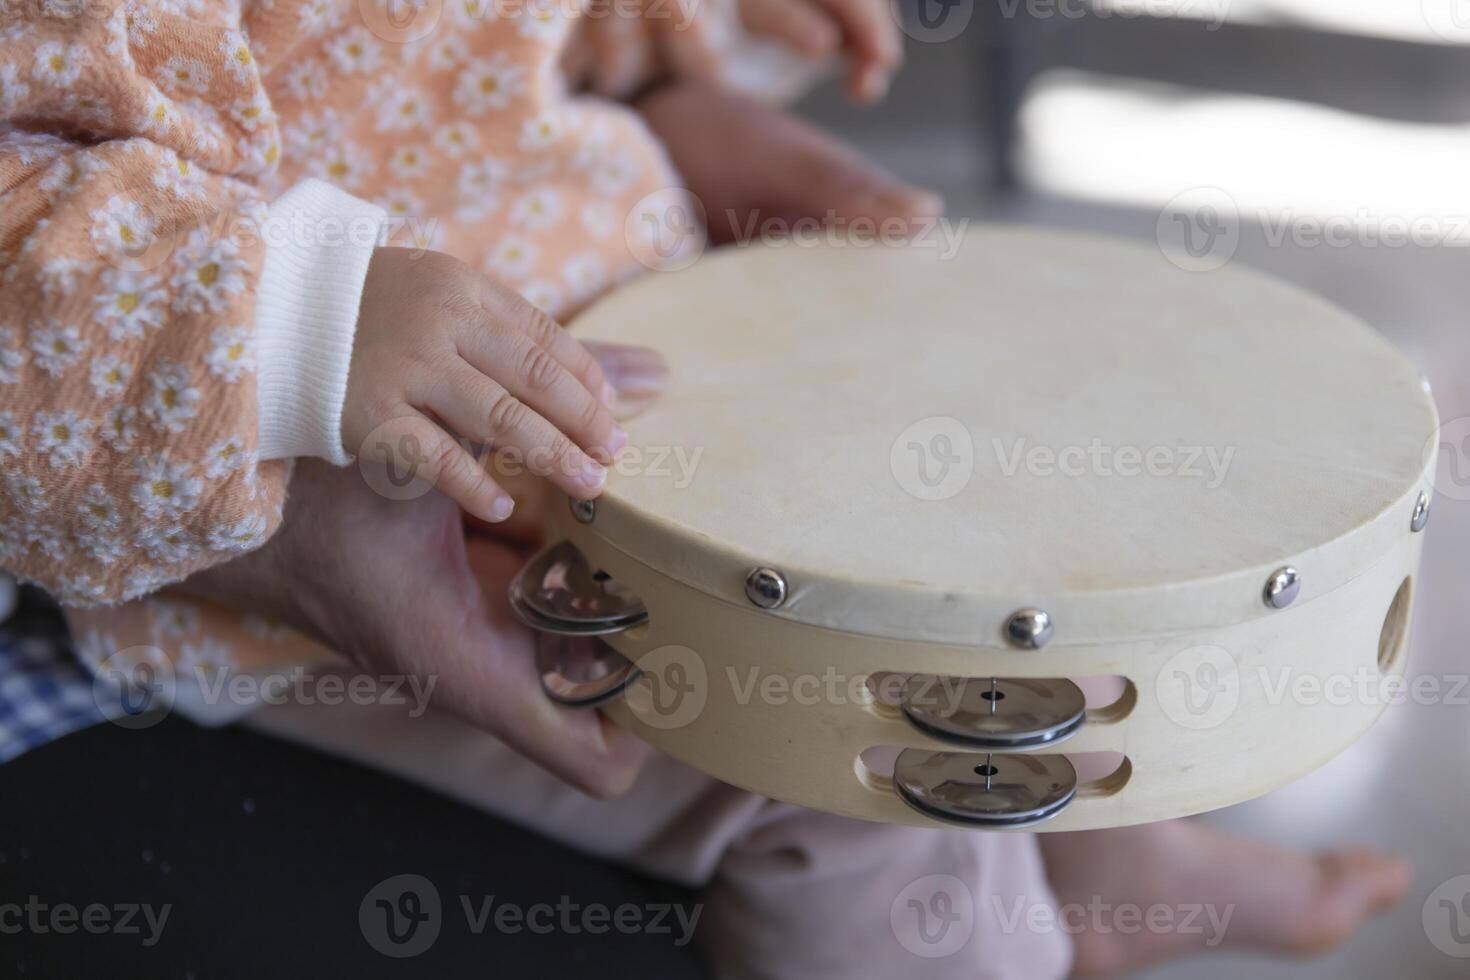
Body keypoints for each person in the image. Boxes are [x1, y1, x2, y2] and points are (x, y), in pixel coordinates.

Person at [0, 0, 1407, 975]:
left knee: (960, 564)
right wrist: (296, 333)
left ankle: (1108, 866)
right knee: (833, 752)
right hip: (299, 517)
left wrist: (694, 34)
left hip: (624, 348)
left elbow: (510, 41)